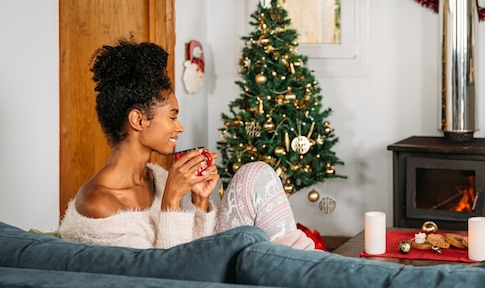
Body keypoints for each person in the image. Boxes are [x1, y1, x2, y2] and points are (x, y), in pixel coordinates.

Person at [58, 37, 314, 250]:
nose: (179, 127)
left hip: (200, 269)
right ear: (138, 120)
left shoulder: (157, 177)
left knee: (254, 174)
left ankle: (303, 266)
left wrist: (199, 201)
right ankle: (305, 271)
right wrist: (170, 201)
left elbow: (194, 249)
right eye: (172, 116)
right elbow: (165, 278)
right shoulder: (97, 203)